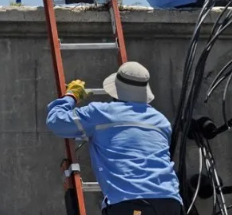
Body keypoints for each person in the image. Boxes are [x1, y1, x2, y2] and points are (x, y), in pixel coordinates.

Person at [45, 61, 183, 215]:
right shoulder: (161, 121)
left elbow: (56, 121)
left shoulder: (101, 113)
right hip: (171, 202)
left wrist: (71, 96)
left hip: (131, 203)